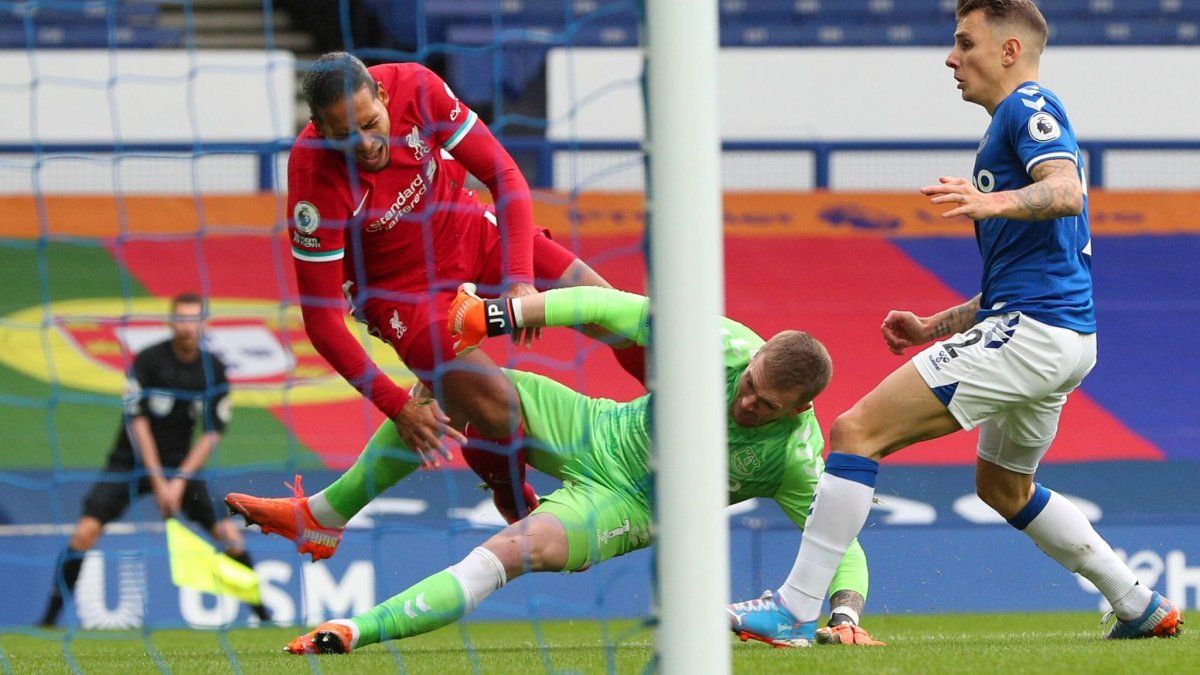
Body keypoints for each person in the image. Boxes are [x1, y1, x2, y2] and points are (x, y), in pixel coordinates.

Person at [730, 0, 1183, 644]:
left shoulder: (1030, 108)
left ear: (1008, 51)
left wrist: (988, 199)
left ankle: (794, 607)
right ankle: (1136, 601)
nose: (951, 57)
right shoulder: (1011, 125)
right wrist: (932, 327)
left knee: (855, 431)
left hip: (1032, 335)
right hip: (1061, 336)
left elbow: (1066, 190)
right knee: (1002, 486)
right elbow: (1016, 281)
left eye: (964, 43)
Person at [225, 284, 883, 653]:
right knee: (452, 383)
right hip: (593, 423)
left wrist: (846, 612)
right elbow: (606, 308)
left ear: (800, 409)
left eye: (763, 404)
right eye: (749, 383)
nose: (745, 399)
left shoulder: (796, 455)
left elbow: (837, 542)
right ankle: (324, 517)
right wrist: (497, 314)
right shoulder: (727, 344)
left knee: (515, 549)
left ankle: (354, 629)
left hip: (626, 504)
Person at [286, 51, 644, 532]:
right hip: (403, 296)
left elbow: (504, 174)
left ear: (384, 96)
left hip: (471, 232)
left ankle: (676, 429)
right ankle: (514, 503)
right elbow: (321, 320)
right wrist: (397, 406)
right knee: (497, 405)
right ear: (318, 127)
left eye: (371, 123)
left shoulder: (418, 87)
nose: (365, 143)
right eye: (344, 135)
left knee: (613, 310)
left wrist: (519, 281)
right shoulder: (313, 179)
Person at [38, 293, 269, 626]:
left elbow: (212, 432)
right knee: (84, 533)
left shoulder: (213, 369)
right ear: (170, 322)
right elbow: (138, 422)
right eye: (181, 319)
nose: (188, 327)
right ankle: (48, 620)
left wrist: (178, 482)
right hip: (128, 463)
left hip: (181, 469)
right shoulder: (148, 361)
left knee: (228, 535)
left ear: (205, 323)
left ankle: (265, 617)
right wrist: (160, 481)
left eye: (194, 319)